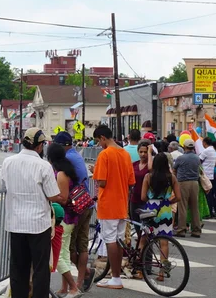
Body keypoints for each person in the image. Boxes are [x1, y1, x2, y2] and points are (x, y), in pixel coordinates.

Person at [0, 128, 67, 298]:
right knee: (40, 269)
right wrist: (63, 199)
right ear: (40, 146)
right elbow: (52, 195)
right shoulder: (44, 166)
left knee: (18, 268)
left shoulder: (9, 162)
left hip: (15, 223)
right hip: (38, 225)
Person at [90, 125, 135, 290]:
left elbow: (102, 181)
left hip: (108, 204)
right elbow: (131, 182)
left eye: (98, 141)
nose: (99, 144)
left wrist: (95, 171)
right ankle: (116, 276)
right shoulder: (125, 154)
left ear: (103, 138)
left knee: (110, 241)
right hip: (122, 204)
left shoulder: (105, 155)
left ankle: (115, 277)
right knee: (118, 240)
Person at [53, 131, 95, 292]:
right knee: (82, 245)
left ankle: (77, 281)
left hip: (74, 208)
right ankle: (77, 281)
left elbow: (63, 191)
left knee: (69, 248)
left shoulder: (66, 160)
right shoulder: (75, 155)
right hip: (85, 203)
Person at [46, 143, 82, 298]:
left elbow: (64, 198)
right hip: (70, 217)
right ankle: (64, 288)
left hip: (65, 218)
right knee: (65, 252)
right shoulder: (65, 169)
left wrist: (49, 196)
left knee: (58, 256)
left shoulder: (61, 174)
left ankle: (74, 288)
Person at [141, 153, 182, 280]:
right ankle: (161, 273)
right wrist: (168, 202)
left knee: (144, 240)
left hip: (151, 208)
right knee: (164, 242)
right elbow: (179, 197)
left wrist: (151, 201)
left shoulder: (148, 176)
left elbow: (143, 197)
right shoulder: (172, 177)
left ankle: (141, 268)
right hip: (165, 210)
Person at [173, 139, 202, 237]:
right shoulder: (197, 158)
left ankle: (181, 229)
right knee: (194, 207)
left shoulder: (181, 158)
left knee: (182, 207)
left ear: (184, 147)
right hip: (195, 182)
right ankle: (196, 230)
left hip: (183, 183)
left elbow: (174, 169)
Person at [131, 141, 153, 236]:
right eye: (141, 152)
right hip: (134, 199)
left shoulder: (150, 165)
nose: (143, 154)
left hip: (146, 200)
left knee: (146, 229)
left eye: (145, 152)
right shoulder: (134, 165)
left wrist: (150, 153)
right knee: (137, 226)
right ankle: (140, 249)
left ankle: (146, 249)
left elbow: (151, 169)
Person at [199, 138, 216, 217]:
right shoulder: (213, 150)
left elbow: (198, 160)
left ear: (204, 143)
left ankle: (207, 213)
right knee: (210, 195)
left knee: (206, 196)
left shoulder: (206, 151)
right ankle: (210, 211)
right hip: (210, 175)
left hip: (204, 176)